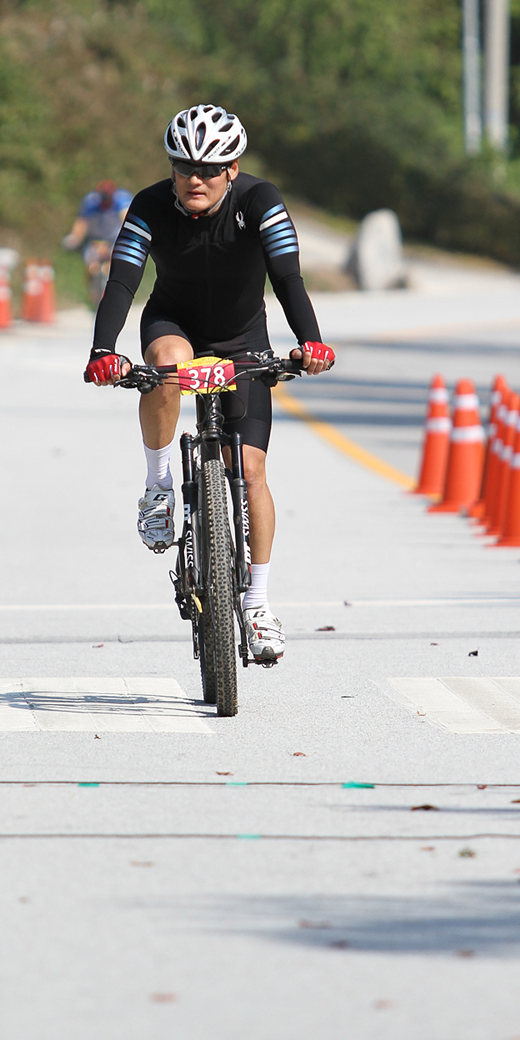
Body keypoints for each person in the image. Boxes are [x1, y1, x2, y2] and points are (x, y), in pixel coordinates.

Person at [82, 104, 335, 665]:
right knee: (166, 367)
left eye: (209, 168)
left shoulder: (260, 201)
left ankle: (259, 603)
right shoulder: (149, 205)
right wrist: (103, 350)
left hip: (243, 338)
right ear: (171, 168)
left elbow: (287, 276)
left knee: (251, 471)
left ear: (232, 169)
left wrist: (310, 342)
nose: (195, 179)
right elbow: (122, 281)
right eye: (184, 167)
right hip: (173, 324)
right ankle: (158, 486)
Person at [62, 180, 134, 305]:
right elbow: (82, 222)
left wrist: (131, 236)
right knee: (92, 265)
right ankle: (92, 292)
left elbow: (125, 218)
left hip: (114, 239)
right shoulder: (91, 202)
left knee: (115, 262)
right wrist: (74, 238)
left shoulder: (122, 199)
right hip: (95, 239)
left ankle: (118, 291)